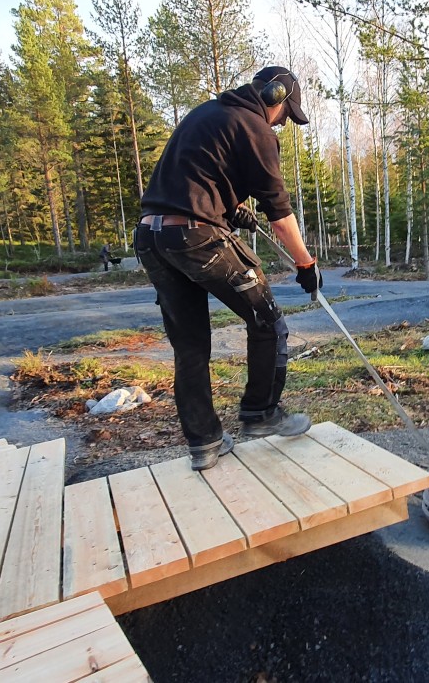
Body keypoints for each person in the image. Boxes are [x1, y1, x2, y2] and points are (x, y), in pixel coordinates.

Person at [134, 65, 324, 471]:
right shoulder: (255, 128)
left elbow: (194, 177)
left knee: (190, 346)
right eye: (286, 114)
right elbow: (280, 213)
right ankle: (260, 413)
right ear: (274, 97)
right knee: (268, 321)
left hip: (152, 238)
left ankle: (204, 443)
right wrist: (306, 263)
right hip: (194, 236)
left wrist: (230, 208)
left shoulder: (208, 113)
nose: (283, 123)